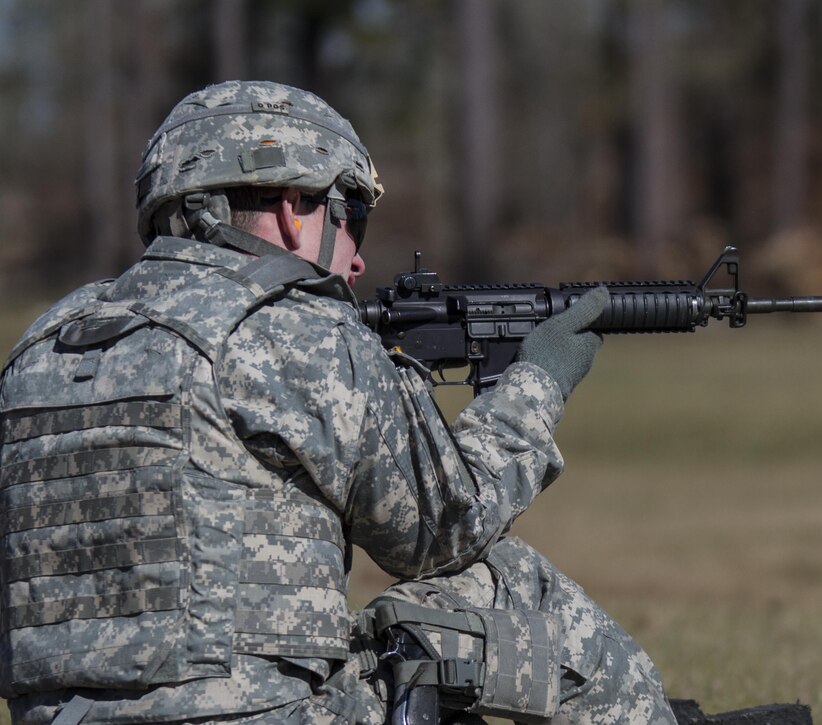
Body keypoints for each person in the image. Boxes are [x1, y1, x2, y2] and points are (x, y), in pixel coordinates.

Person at [0, 81, 677, 724]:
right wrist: (537, 383)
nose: (356, 259)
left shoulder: (42, 347)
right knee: (507, 579)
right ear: (296, 210)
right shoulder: (293, 328)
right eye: (351, 213)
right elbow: (444, 527)